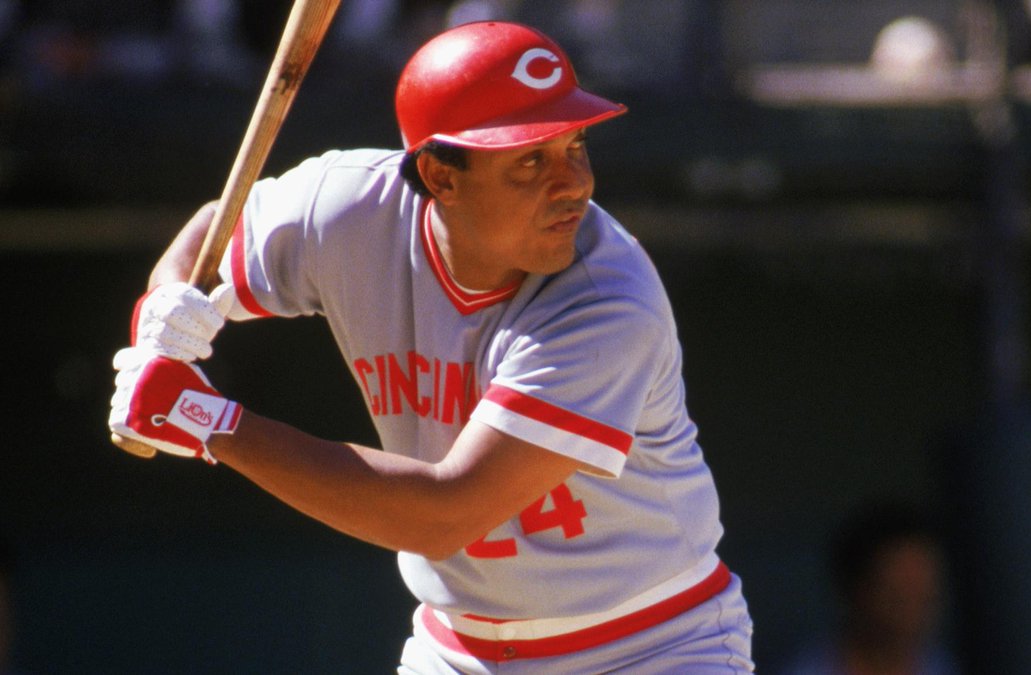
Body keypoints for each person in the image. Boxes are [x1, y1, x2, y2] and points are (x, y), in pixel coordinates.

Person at [108, 20, 754, 674]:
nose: (574, 184)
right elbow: (209, 235)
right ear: (440, 176)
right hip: (460, 647)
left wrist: (207, 421)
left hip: (650, 645)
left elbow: (446, 517)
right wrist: (162, 316)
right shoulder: (347, 206)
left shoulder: (606, 302)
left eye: (575, 145)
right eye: (531, 160)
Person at [786, 500, 957, 675]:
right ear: (856, 592)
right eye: (897, 599)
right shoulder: (807, 670)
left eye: (926, 599)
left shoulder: (943, 667)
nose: (914, 616)